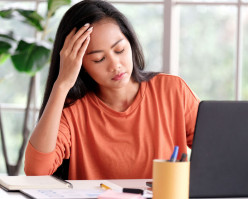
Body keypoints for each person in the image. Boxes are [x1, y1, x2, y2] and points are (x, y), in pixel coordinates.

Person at [24, 0, 200, 180]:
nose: (115, 65)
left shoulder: (172, 91)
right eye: (99, 59)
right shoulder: (72, 111)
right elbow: (36, 171)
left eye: (120, 50)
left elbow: (218, 150)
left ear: (130, 43)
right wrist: (61, 84)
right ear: (80, 65)